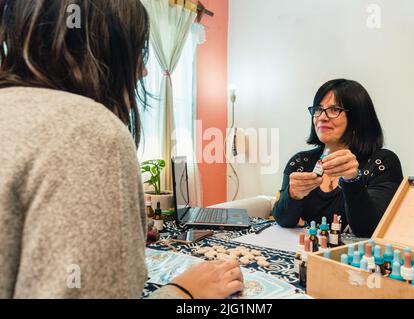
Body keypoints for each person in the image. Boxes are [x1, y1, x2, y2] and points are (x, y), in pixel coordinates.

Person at [0, 0, 243, 299]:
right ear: (102, 51)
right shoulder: (88, 130)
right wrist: (183, 291)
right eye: (138, 52)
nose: (142, 71)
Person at [272, 79, 403, 238]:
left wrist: (352, 180)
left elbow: (369, 229)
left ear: (358, 117)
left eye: (334, 109)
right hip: (304, 253)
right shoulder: (301, 162)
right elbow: (284, 221)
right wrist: (293, 194)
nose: (322, 117)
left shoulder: (382, 162)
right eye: (318, 109)